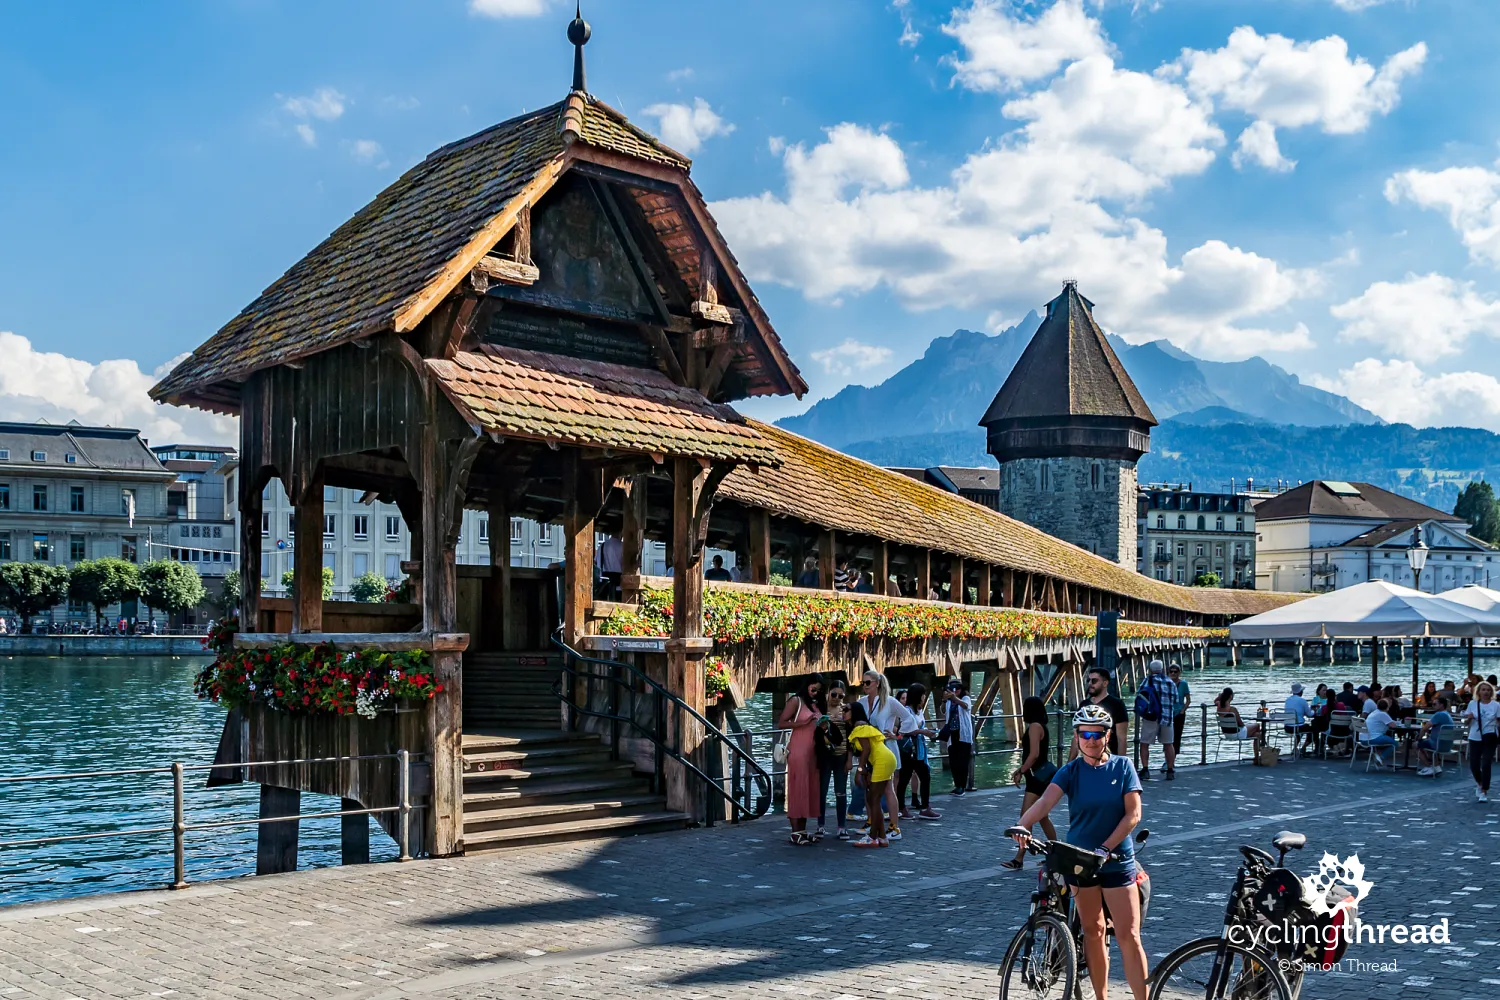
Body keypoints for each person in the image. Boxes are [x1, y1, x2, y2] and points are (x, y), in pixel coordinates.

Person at [1011, 705, 1148, 1000]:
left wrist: (1106, 848)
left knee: (1129, 936)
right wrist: (1022, 825)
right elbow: (1044, 803)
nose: (1091, 740)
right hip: (1081, 862)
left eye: (1097, 735)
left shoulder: (1123, 767)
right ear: (1076, 736)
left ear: (1108, 736)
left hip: (1116, 861)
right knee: (1093, 931)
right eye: (1085, 734)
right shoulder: (1070, 771)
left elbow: (1133, 815)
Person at [1003, 696, 1059, 870]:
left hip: (1036, 778)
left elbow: (1034, 754)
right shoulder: (1041, 726)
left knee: (1025, 818)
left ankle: (1019, 858)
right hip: (1038, 777)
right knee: (1042, 817)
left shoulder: (1035, 727)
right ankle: (1056, 855)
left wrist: (1021, 770)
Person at [858, 670, 906, 841]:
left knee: (887, 788)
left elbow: (909, 718)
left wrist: (897, 734)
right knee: (869, 787)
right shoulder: (862, 702)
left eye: (868, 682)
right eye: (863, 683)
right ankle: (871, 821)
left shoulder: (889, 701)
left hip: (886, 748)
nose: (865, 686)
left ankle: (894, 827)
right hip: (869, 751)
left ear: (877, 683)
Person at [778, 675, 825, 844]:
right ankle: (795, 832)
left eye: (819, 690)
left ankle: (803, 830)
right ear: (807, 686)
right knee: (797, 789)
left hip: (813, 752)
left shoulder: (816, 703)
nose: (816, 692)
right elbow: (782, 723)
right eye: (813, 689)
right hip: (798, 750)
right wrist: (804, 723)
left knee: (808, 789)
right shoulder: (796, 701)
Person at [848, 701, 896, 848]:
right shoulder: (861, 727)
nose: (843, 712)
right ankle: (882, 837)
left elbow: (866, 749)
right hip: (883, 759)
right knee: (872, 798)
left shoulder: (859, 727)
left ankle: (873, 837)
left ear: (854, 712)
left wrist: (860, 770)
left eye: (846, 710)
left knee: (873, 799)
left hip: (882, 760)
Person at [896, 684, 942, 821]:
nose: (924, 697)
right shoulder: (907, 711)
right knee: (906, 778)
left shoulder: (919, 710)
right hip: (910, 749)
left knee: (921, 776)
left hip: (919, 749)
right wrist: (924, 732)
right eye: (922, 695)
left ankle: (921, 807)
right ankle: (905, 807)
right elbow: (904, 731)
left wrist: (926, 731)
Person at [815, 680, 853, 839]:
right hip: (825, 756)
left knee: (841, 792)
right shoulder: (820, 708)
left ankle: (841, 827)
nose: (837, 698)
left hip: (841, 755)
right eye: (834, 694)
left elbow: (851, 737)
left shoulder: (846, 710)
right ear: (828, 693)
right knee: (821, 791)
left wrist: (849, 759)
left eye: (840, 696)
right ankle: (820, 826)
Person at [1136, 660, 1179, 780]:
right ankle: (1170, 770)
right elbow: (1176, 700)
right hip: (1167, 717)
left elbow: (1139, 695)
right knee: (1168, 744)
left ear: (1150, 670)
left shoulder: (1147, 680)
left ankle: (1145, 769)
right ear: (1163, 669)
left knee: (1145, 743)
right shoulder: (1170, 682)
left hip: (1151, 717)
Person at [1461, 681, 1500, 802]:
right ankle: (1480, 782)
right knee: (1474, 764)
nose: (1486, 692)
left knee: (1486, 763)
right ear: (1478, 691)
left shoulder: (1496, 705)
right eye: (1483, 690)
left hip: (1490, 735)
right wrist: (1469, 719)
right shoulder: (1473, 704)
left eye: (1488, 690)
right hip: (1475, 736)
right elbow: (1466, 722)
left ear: (1491, 692)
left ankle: (1484, 790)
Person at [1076, 667, 1129, 757]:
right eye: (1088, 680)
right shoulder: (1084, 704)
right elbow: (1076, 737)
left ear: (1105, 683)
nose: (1090, 683)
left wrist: (1121, 762)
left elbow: (1122, 738)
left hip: (1110, 757)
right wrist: (1069, 762)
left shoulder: (1117, 704)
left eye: (1094, 681)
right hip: (1087, 757)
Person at [940, 678, 975, 794]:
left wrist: (954, 698)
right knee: (953, 761)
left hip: (963, 734)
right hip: (952, 734)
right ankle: (957, 785)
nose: (955, 691)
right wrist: (944, 700)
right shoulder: (949, 701)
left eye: (957, 689)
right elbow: (943, 711)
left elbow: (966, 706)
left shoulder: (965, 698)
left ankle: (962, 786)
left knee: (962, 761)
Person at [1416, 694, 1456, 777]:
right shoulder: (1447, 714)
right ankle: (1436, 766)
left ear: (1441, 705)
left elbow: (1424, 728)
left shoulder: (1439, 715)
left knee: (1416, 745)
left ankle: (1428, 766)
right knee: (1427, 744)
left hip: (1437, 744)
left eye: (1435, 704)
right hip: (1447, 745)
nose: (1433, 706)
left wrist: (1419, 738)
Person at [1361, 698, 1397, 768]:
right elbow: (1393, 725)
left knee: (1387, 740)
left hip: (1363, 738)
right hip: (1372, 738)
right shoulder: (1383, 714)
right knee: (1394, 744)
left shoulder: (1374, 713)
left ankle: (1378, 755)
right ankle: (1381, 758)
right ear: (1387, 707)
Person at [1284, 683, 1313, 756]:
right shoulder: (1302, 700)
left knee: (1300, 728)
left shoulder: (1287, 700)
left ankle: (1295, 748)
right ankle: (1303, 748)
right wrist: (1314, 711)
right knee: (1312, 731)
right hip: (1297, 727)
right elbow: (1309, 714)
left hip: (1287, 727)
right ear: (1301, 692)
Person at [1168, 663, 1190, 751]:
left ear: (1179, 673)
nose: (1173, 673)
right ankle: (1168, 756)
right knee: (1167, 738)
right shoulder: (1166, 683)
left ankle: (1174, 756)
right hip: (1168, 714)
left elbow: (1188, 700)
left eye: (1175, 671)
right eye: (1171, 672)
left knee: (1177, 737)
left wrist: (1182, 711)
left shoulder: (1183, 684)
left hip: (1179, 714)